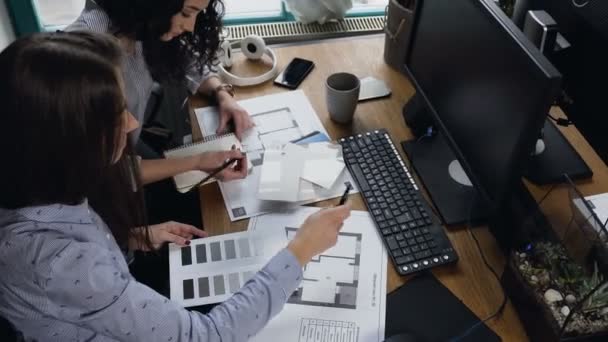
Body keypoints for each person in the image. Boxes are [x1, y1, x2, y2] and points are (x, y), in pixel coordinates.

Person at [0, 31, 351, 341]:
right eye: (117, 114)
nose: (133, 122)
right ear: (70, 140)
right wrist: (301, 250)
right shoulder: (59, 261)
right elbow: (208, 336)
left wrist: (134, 235)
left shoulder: (39, 180)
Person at [66, 0, 254, 226]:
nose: (191, 26)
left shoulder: (142, 22)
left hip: (127, 153)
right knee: (200, 212)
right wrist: (197, 161)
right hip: (95, 192)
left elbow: (186, 60)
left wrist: (221, 93)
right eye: (186, 12)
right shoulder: (86, 51)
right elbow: (102, 173)